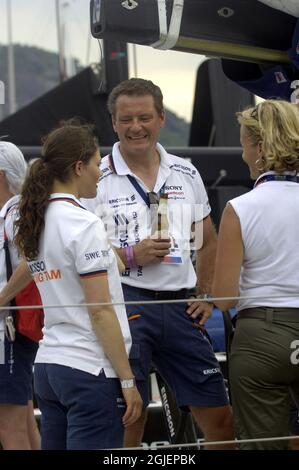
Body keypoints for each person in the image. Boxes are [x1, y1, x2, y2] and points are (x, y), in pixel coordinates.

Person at [83, 78, 234, 449]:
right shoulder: (95, 179)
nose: (136, 127)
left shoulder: (186, 172)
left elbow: (209, 240)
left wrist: (208, 295)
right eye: (126, 119)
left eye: (145, 117)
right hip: (126, 302)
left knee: (219, 416)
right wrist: (132, 254)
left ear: (162, 118)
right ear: (114, 123)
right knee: (129, 419)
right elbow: (82, 255)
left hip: (180, 304)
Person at [10, 120, 142, 450]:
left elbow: (42, 262)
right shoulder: (83, 224)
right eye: (98, 164)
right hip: (89, 368)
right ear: (79, 167)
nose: (101, 172)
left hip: (49, 366)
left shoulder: (38, 221)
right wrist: (128, 380)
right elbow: (99, 311)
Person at [212, 99, 299, 450]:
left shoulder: (241, 209)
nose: (243, 154)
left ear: (260, 149)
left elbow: (223, 298)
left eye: (244, 145)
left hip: (263, 335)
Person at [0, 141, 41, 450]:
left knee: (9, 425)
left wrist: (1, 298)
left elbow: (33, 260)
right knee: (23, 419)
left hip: (9, 331)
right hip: (12, 329)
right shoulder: (13, 210)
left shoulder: (14, 211)